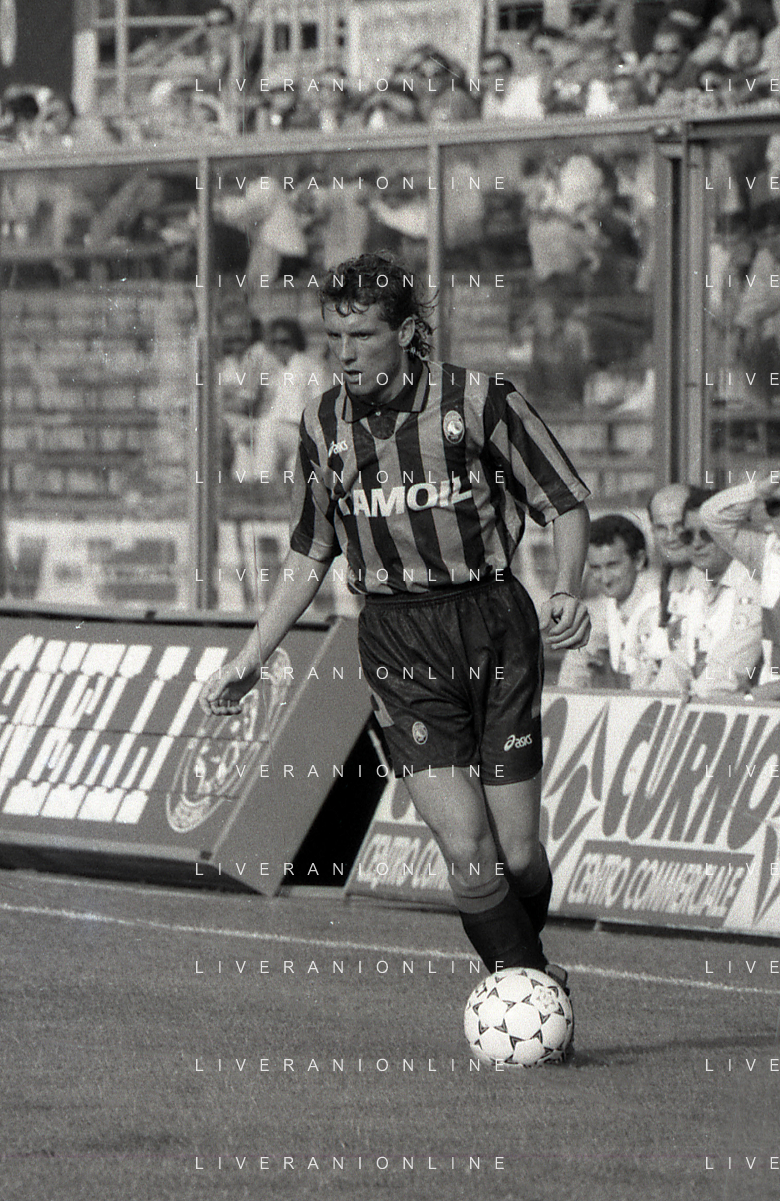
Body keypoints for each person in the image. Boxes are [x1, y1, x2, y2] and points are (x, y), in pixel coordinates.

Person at [200, 253, 591, 1001]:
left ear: (407, 332)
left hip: (493, 626)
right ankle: (527, 992)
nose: (343, 354)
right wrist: (252, 656)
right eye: (333, 337)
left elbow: (565, 501)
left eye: (362, 336)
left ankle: (527, 975)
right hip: (396, 639)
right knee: (470, 851)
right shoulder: (322, 423)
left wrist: (569, 590)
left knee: (518, 854)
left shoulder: (480, 401)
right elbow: (311, 549)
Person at [649, 487, 762, 697]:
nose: (697, 543)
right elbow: (679, 664)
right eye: (688, 535)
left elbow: (726, 676)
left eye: (707, 534)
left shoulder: (753, 585)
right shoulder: (695, 588)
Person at [557, 514, 662, 689]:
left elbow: (650, 690)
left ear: (639, 560)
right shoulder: (600, 609)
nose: (605, 579)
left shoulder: (659, 604)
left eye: (612, 565)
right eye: (596, 567)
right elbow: (570, 679)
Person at [701, 472, 780, 701]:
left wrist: (752, 698)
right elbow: (712, 516)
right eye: (775, 508)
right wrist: (759, 490)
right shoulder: (768, 552)